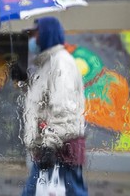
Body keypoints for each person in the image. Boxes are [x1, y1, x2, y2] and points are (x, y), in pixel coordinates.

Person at [21, 17, 88, 196]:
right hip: (48, 148)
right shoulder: (47, 65)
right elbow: (42, 105)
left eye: (34, 34)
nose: (32, 39)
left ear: (46, 34)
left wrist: (49, 146)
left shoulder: (61, 62)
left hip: (59, 148)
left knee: (70, 191)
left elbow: (63, 108)